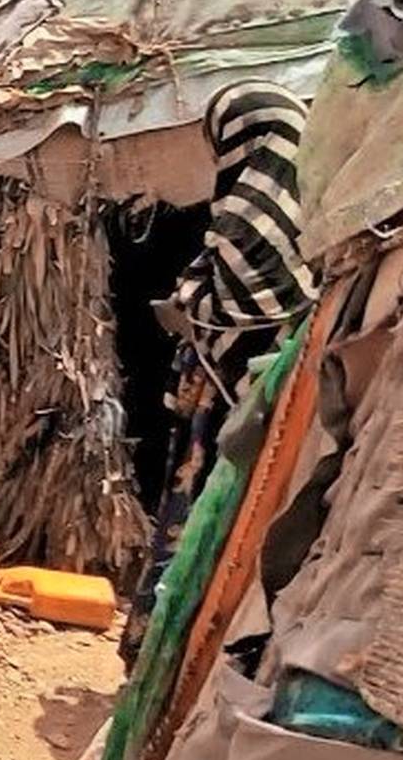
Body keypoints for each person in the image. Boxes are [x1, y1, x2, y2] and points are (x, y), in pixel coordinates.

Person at [123, 81, 316, 661]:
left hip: (236, 435)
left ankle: (180, 654)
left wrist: (189, 306)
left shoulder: (251, 238)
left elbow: (230, 312)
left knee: (215, 537)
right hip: (262, 434)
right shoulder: (315, 229)